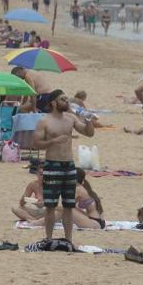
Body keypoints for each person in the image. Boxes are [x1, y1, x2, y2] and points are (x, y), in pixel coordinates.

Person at [33, 89, 94, 241]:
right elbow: (36, 144)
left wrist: (88, 120)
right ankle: (48, 238)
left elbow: (89, 133)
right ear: (53, 103)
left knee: (68, 205)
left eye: (67, 99)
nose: (66, 102)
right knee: (51, 206)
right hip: (52, 165)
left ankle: (68, 239)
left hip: (69, 165)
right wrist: (53, 141)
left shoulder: (71, 118)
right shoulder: (44, 121)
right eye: (63, 100)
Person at [29, 168, 105, 229]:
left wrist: (46, 204)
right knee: (67, 209)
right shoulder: (83, 188)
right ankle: (39, 222)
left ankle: (38, 223)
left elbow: (65, 207)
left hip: (94, 223)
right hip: (97, 221)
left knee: (65, 210)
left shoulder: (77, 189)